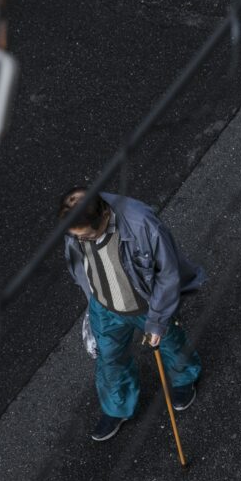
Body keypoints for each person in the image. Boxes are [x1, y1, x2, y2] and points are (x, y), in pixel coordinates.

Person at [59, 186, 204, 441]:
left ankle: (184, 380)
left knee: (171, 343)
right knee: (109, 359)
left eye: (86, 237)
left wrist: (157, 321)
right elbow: (81, 268)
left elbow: (168, 275)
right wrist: (91, 302)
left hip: (146, 305)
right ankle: (118, 407)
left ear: (103, 217)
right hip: (105, 307)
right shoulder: (77, 228)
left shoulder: (142, 224)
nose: (79, 241)